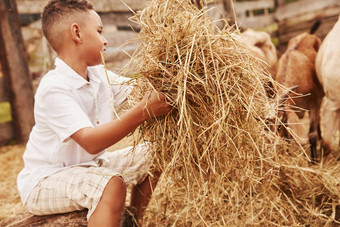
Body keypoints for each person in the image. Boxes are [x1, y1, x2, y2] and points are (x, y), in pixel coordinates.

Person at [16, 0, 171, 226]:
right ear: (77, 33)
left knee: (155, 153)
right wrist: (143, 111)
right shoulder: (54, 87)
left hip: (91, 168)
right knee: (111, 184)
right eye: (99, 31)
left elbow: (141, 92)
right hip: (46, 180)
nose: (105, 39)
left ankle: (133, 222)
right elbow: (91, 142)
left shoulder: (98, 75)